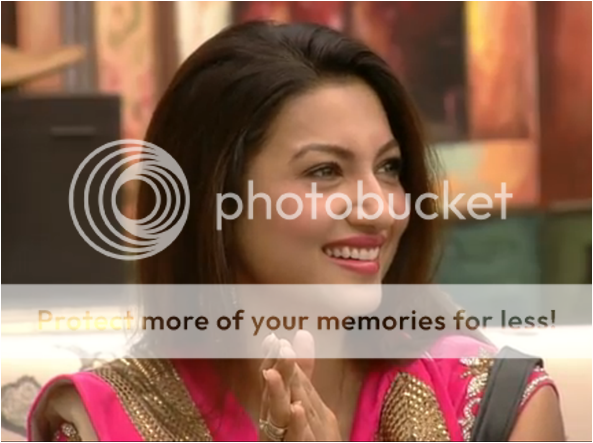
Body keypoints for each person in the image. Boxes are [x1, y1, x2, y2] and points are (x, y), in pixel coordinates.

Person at [27, 20, 565, 442]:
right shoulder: (103, 421)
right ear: (215, 201)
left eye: (389, 167)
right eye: (324, 171)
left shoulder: (496, 404)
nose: (380, 210)